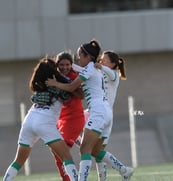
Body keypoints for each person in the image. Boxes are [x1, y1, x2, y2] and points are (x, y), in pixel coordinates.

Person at [46, 39, 134, 181]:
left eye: (80, 55)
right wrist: (59, 63)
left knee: (84, 150)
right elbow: (73, 67)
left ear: (88, 57)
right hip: (104, 112)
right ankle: (124, 170)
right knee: (95, 151)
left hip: (98, 112)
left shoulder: (92, 68)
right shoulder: (92, 68)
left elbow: (71, 87)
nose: (78, 57)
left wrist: (54, 83)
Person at [3, 58, 78, 181]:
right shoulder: (58, 84)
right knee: (67, 157)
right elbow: (72, 91)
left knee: (18, 161)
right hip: (44, 121)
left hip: (29, 119)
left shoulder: (39, 84)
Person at [51, 51, 85, 181]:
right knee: (57, 151)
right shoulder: (55, 76)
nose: (65, 67)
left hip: (74, 119)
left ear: (71, 65)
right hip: (60, 119)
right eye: (61, 65)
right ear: (57, 65)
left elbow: (81, 95)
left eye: (67, 65)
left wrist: (65, 84)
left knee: (61, 151)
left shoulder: (74, 76)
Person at [93, 50, 127, 181]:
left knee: (97, 152)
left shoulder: (114, 75)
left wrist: (100, 66)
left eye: (104, 60)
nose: (101, 61)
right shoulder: (100, 73)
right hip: (95, 113)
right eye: (100, 59)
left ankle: (122, 170)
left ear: (112, 64)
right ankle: (123, 170)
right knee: (95, 151)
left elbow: (111, 75)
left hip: (105, 115)